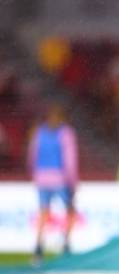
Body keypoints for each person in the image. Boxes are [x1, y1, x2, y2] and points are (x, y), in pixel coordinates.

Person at [28, 104, 79, 265]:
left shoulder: (39, 132)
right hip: (60, 177)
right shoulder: (65, 133)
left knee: (43, 212)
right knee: (70, 210)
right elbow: (69, 159)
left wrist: (35, 175)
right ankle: (66, 245)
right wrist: (73, 181)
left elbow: (33, 155)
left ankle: (38, 248)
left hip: (42, 177)